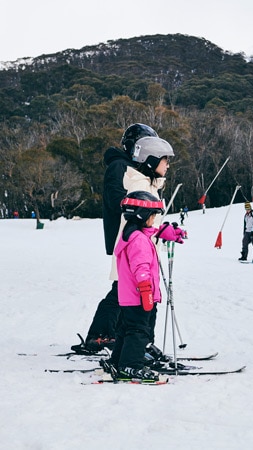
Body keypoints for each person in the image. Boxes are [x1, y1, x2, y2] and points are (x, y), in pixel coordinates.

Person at [71, 123, 158, 355]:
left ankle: (116, 335)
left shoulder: (132, 167)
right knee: (121, 290)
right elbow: (117, 199)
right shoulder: (119, 166)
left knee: (123, 289)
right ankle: (100, 335)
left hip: (134, 236)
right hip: (128, 238)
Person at [111, 191, 184, 382]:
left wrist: (162, 231)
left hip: (129, 297)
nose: (154, 220)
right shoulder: (139, 241)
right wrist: (146, 292)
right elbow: (141, 269)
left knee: (125, 329)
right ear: (142, 216)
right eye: (152, 216)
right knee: (139, 331)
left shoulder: (131, 235)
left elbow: (148, 233)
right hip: (139, 295)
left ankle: (118, 360)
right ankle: (130, 366)